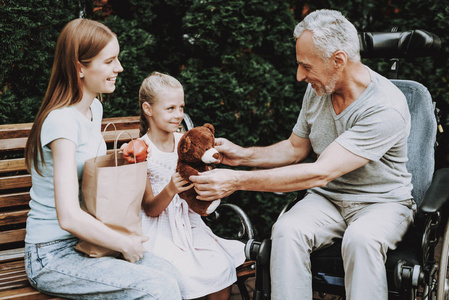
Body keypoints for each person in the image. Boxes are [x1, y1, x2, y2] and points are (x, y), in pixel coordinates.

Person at [189, 9, 415, 300]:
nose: (300, 76)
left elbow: (321, 171)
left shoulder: (385, 108)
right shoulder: (320, 88)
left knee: (361, 240)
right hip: (329, 198)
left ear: (338, 61)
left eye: (306, 66)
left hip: (381, 202)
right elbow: (295, 148)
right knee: (286, 230)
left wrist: (235, 181)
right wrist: (242, 156)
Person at [24, 18, 182, 299]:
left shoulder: (93, 109)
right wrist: (123, 242)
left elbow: (89, 174)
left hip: (88, 242)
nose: (119, 68)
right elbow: (69, 217)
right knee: (158, 288)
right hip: (51, 255)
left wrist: (122, 158)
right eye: (109, 61)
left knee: (172, 276)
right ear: (79, 67)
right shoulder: (61, 122)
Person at [136, 72, 246, 300]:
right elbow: (150, 209)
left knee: (220, 266)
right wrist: (170, 189)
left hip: (190, 223)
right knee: (182, 274)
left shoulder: (185, 142)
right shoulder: (141, 151)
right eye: (170, 108)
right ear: (148, 109)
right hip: (160, 230)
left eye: (181, 107)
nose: (178, 115)